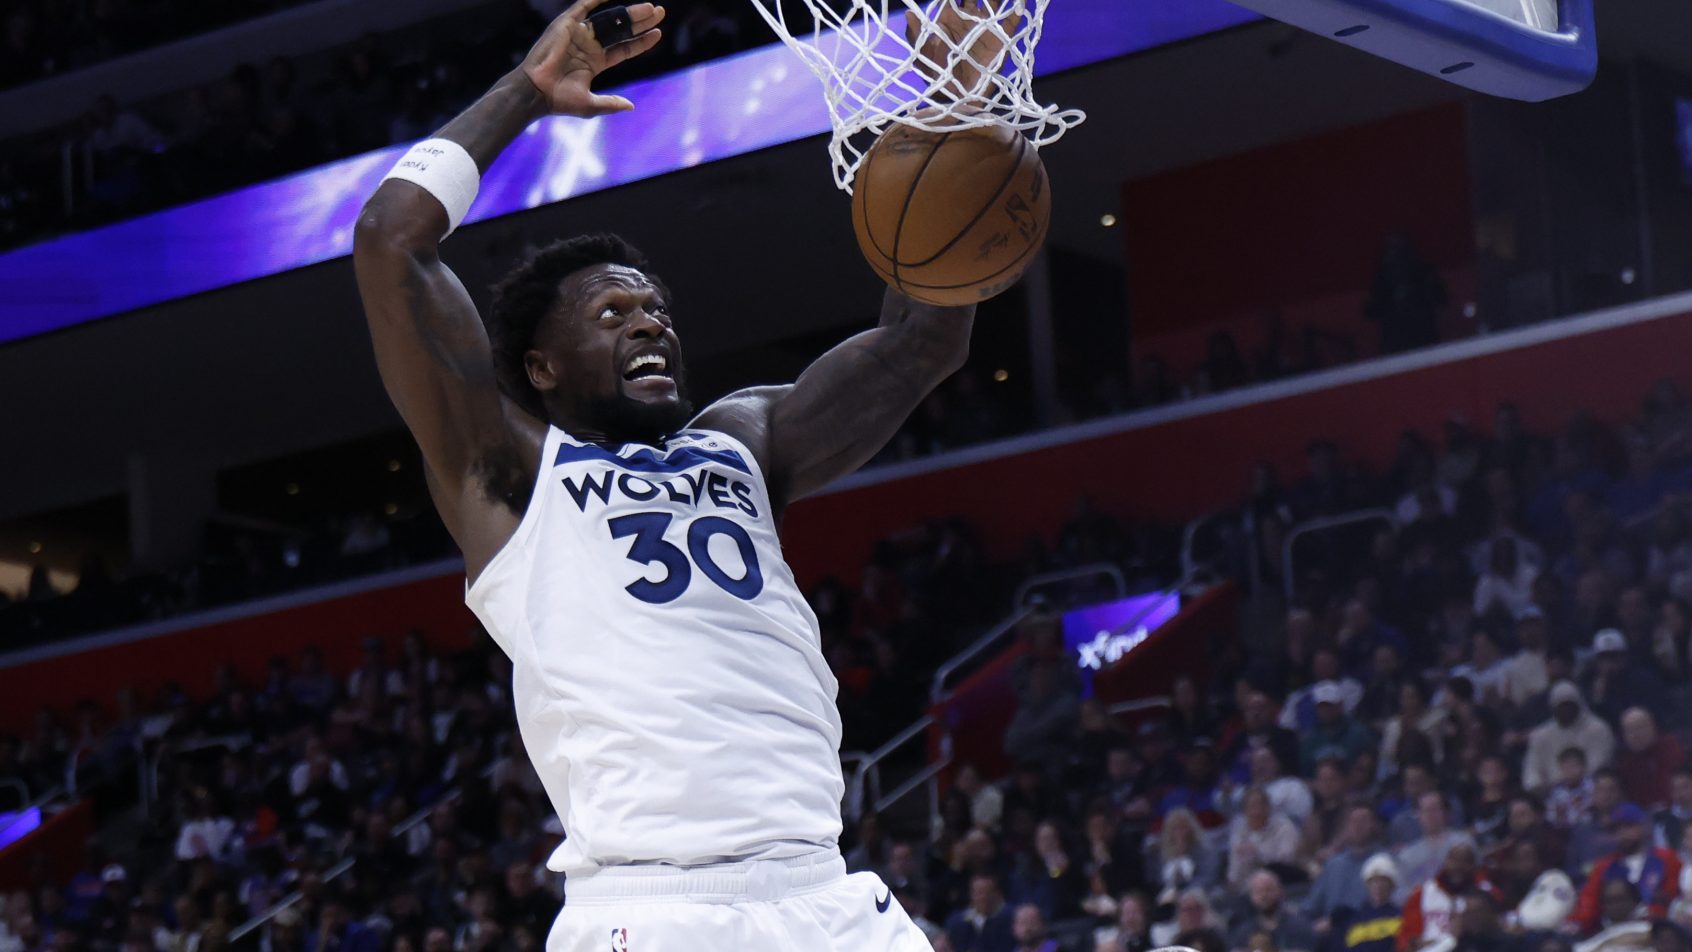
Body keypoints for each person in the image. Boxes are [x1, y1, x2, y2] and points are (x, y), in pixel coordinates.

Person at [352, 1, 1004, 946]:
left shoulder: (743, 441)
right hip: (657, 909)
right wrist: (527, 94)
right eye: (611, 314)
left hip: (823, 892)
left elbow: (924, 337)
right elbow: (389, 241)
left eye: (654, 308)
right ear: (541, 368)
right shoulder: (509, 473)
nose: (650, 322)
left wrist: (956, 100)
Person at [1573, 805, 1682, 931]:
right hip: (1613, 932)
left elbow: (1675, 899)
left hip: (1659, 930)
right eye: (1616, 829)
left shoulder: (1667, 858)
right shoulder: (1603, 867)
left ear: (1644, 826)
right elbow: (1588, 907)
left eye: (1628, 826)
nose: (1622, 833)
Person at [1397, 843, 1499, 952]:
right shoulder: (1422, 893)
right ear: (1446, 861)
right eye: (1454, 860)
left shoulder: (1483, 894)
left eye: (1465, 861)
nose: (1458, 866)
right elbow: (1406, 938)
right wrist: (1412, 944)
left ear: (1474, 866)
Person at [1524, 683, 1615, 795]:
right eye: (1561, 706)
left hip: (1589, 791)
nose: (1565, 710)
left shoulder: (1598, 729)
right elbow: (1532, 772)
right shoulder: (1540, 735)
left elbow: (1599, 765)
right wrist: (1542, 787)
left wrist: (1573, 781)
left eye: (1568, 705)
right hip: (1551, 794)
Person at [1228, 869, 1317, 952]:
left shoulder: (1299, 926)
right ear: (1251, 896)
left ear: (1280, 891)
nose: (1264, 895)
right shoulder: (1244, 932)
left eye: (1268, 890)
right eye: (1258, 891)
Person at [1329, 854, 1404, 952]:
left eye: (1383, 881)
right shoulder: (1352, 921)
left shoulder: (1401, 917)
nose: (1378, 886)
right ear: (1367, 885)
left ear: (1392, 885)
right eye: (1374, 881)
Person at [1616, 709, 1685, 811]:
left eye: (1640, 728)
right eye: (1630, 731)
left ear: (1653, 727)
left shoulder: (1671, 747)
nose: (1636, 735)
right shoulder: (1623, 763)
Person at [946, 875, 1015, 952]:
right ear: (971, 895)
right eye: (979, 892)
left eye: (988, 892)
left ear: (997, 894)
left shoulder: (1011, 918)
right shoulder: (957, 922)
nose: (984, 897)